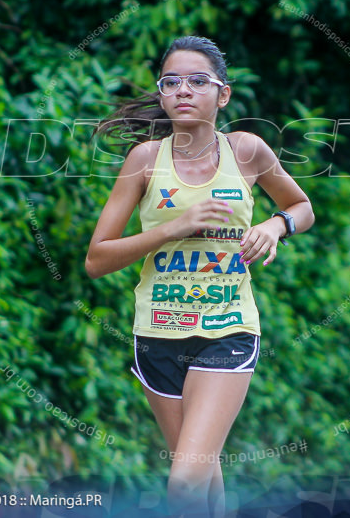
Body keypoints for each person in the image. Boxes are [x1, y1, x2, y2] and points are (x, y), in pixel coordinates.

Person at [85, 35, 314, 517]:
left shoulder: (246, 151)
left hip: (227, 327)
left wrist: (275, 225)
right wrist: (175, 228)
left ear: (222, 94)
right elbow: (97, 259)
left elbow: (301, 206)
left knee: (186, 479)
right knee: (202, 475)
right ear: (162, 94)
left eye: (197, 81)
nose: (183, 90)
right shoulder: (145, 161)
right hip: (156, 332)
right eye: (171, 82)